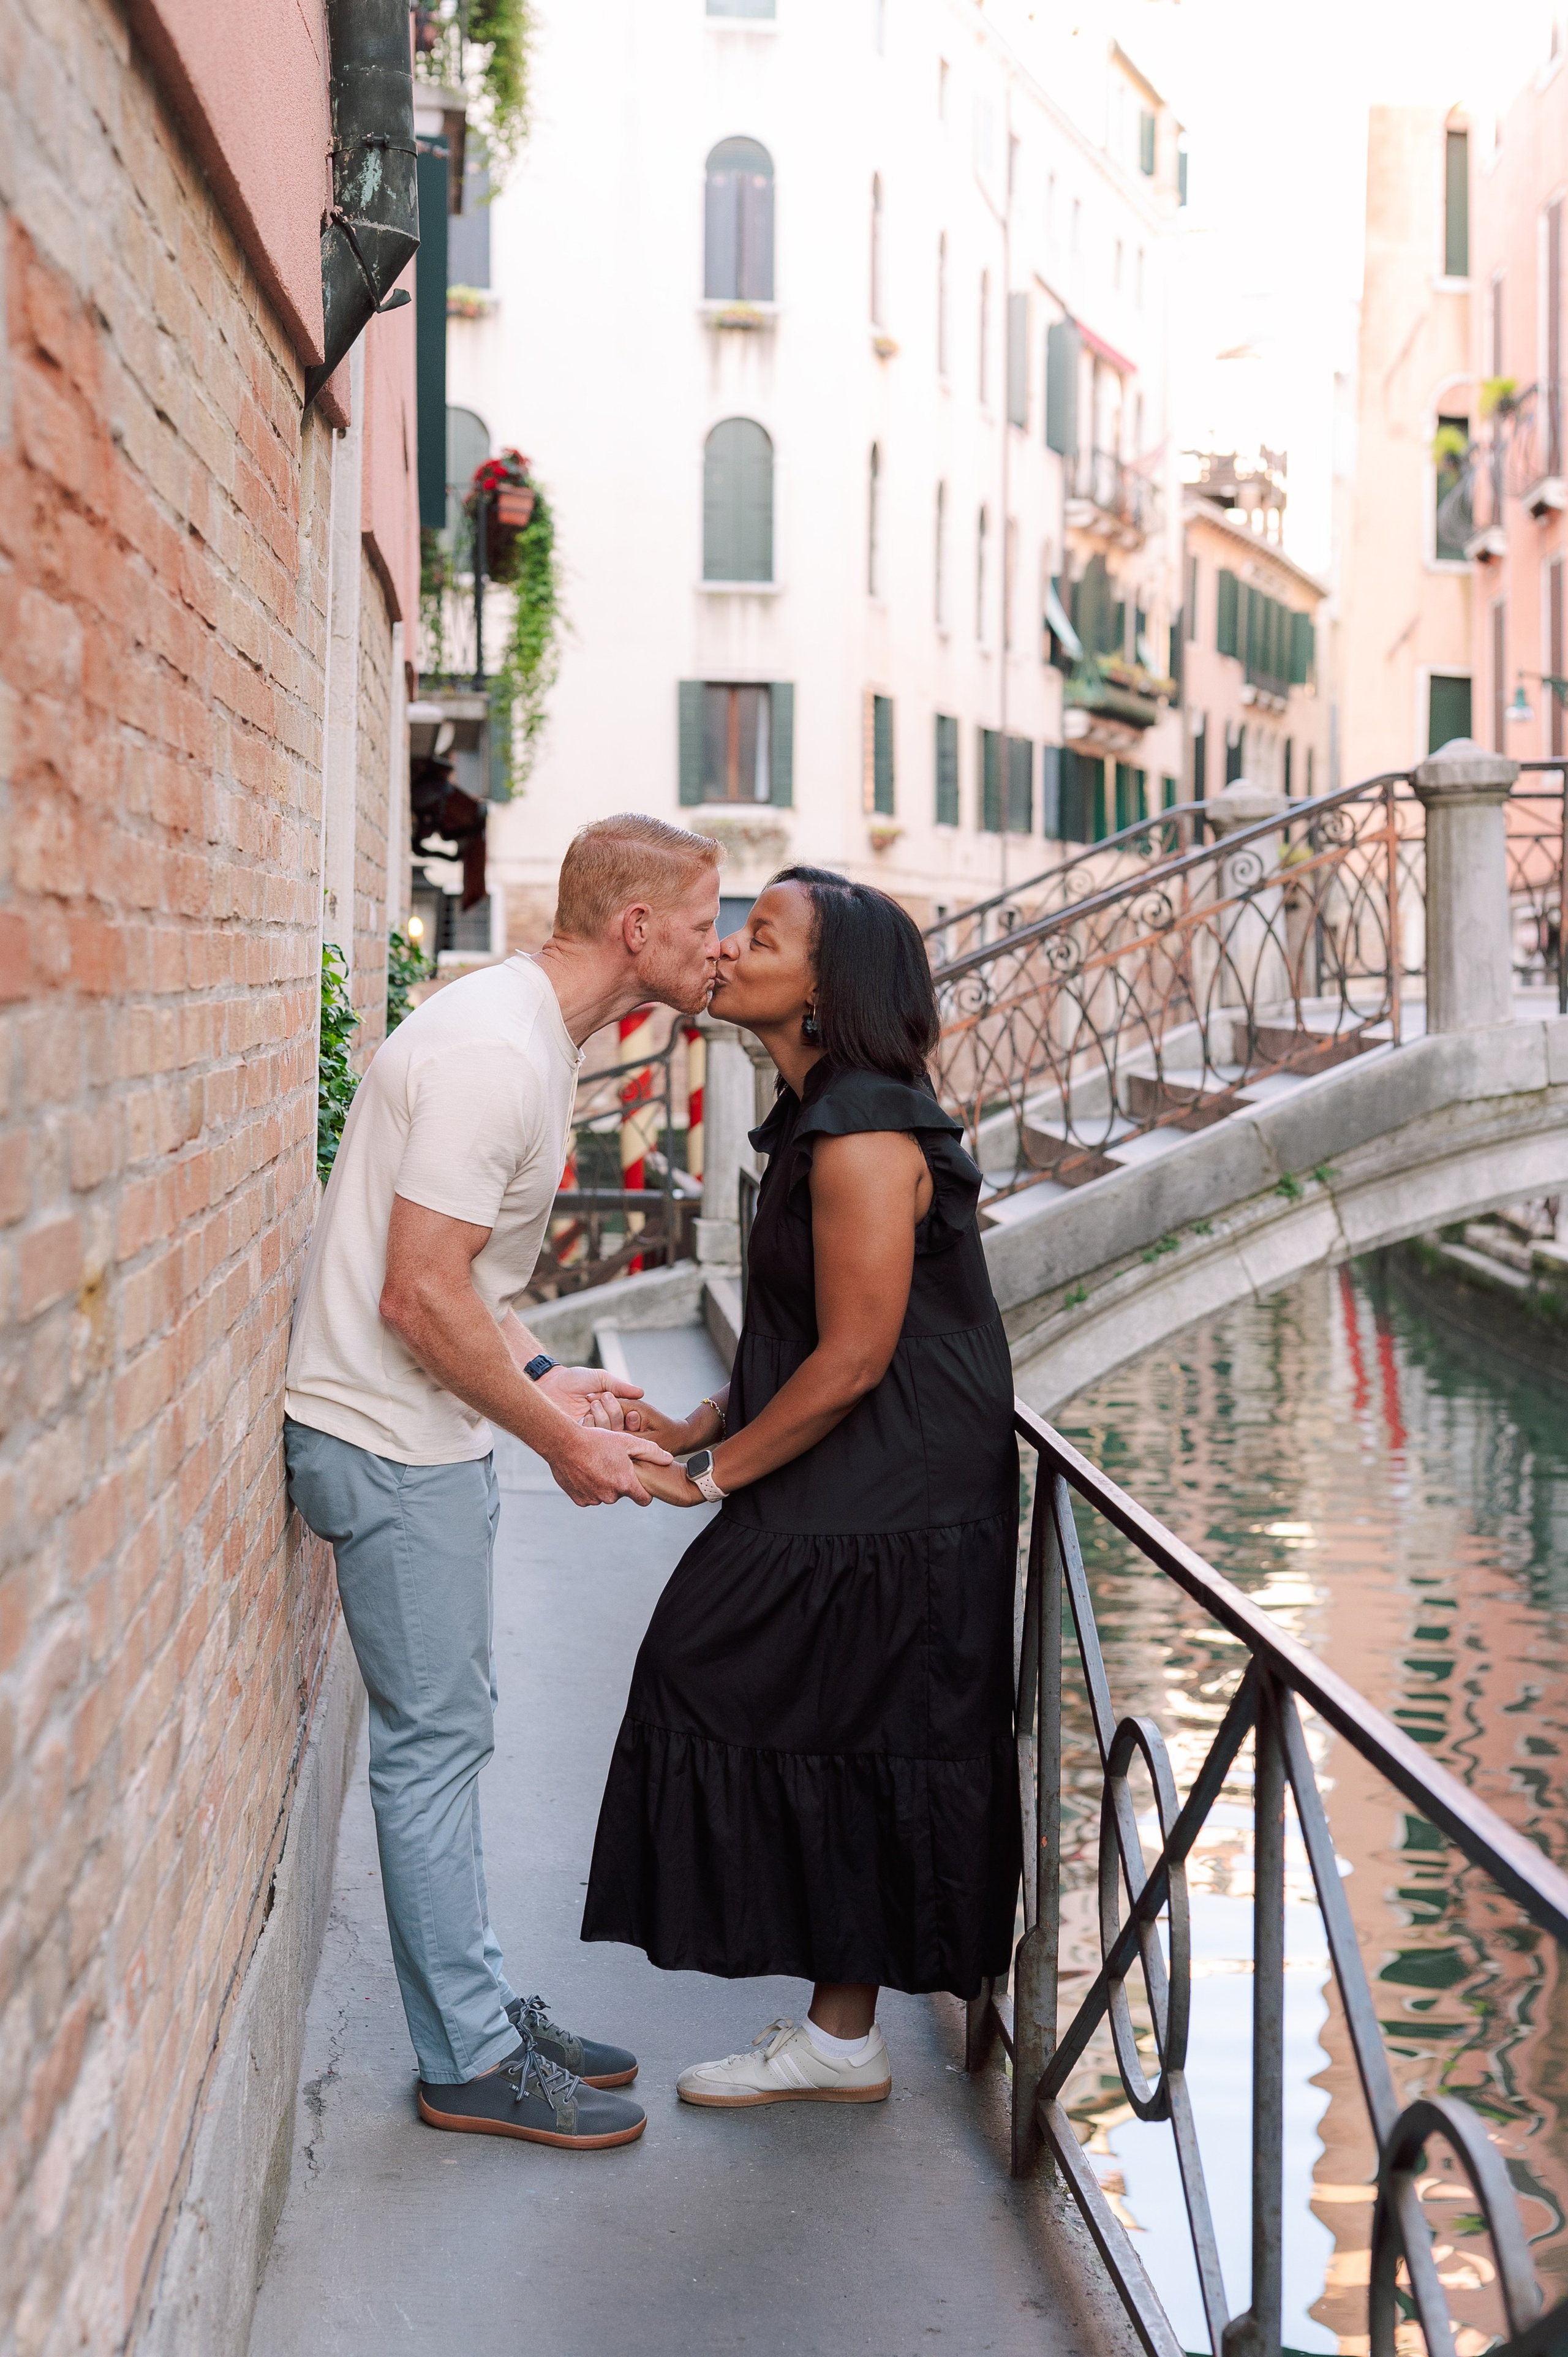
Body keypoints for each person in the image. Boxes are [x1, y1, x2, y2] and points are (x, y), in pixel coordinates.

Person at [283, 813, 723, 2150]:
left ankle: (475, 2010)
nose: (717, 949)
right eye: (703, 924)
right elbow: (416, 1294)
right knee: (432, 1755)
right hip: (389, 1446)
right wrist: (558, 1440)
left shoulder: (530, 1034)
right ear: (634, 927)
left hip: (416, 1439)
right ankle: (467, 2058)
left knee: (449, 1744)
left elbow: (461, 1280)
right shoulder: (494, 1052)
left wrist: (547, 1378)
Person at [582, 867, 1022, 2105]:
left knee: (732, 1664)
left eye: (756, 935)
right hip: (864, 1474)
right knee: (844, 1723)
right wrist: (701, 1418)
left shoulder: (869, 1131)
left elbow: (856, 1355)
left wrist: (712, 1473)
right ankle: (840, 2035)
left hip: (907, 1491)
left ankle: (839, 2033)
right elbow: (798, 1328)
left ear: (824, 993)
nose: (724, 947)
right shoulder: (818, 1113)